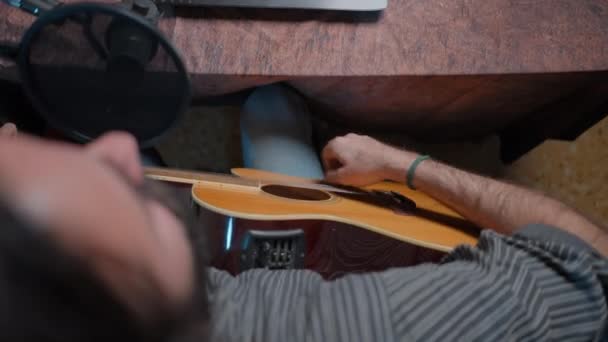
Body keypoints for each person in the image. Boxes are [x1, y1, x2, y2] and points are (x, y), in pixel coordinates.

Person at [0, 82, 606, 341]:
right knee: (272, 104)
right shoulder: (375, 330)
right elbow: (590, 264)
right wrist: (401, 165)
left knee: (155, 157)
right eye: (146, 220)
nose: (119, 147)